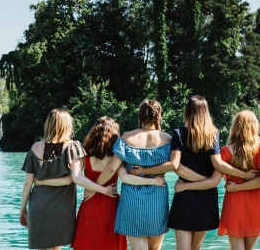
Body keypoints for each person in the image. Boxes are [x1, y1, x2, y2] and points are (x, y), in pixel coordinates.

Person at [127, 96, 224, 250]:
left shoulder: (179, 133)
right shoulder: (214, 134)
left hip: (184, 195)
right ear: (206, 112)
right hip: (207, 196)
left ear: (187, 111)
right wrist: (207, 182)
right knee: (195, 248)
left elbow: (175, 165)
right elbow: (216, 169)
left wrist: (145, 171)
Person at [19, 109, 118, 250]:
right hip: (62, 206)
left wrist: (22, 209)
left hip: (38, 205)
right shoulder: (72, 147)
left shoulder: (35, 148)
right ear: (67, 125)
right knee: (56, 247)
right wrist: (103, 190)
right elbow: (74, 178)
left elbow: (28, 183)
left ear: (48, 124)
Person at [113, 99, 173, 250]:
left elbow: (112, 168)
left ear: (140, 117)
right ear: (158, 116)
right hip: (157, 198)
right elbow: (175, 165)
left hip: (132, 199)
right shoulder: (167, 139)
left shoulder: (127, 137)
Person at [72, 116, 135, 250]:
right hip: (111, 203)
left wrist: (94, 189)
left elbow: (76, 177)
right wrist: (105, 190)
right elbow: (122, 175)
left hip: (90, 201)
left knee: (87, 244)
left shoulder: (84, 153)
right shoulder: (116, 156)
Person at [213, 110, 260, 250]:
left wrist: (237, 187)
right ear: (254, 127)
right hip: (257, 202)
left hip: (234, 202)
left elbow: (214, 178)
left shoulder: (226, 151)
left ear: (235, 127)